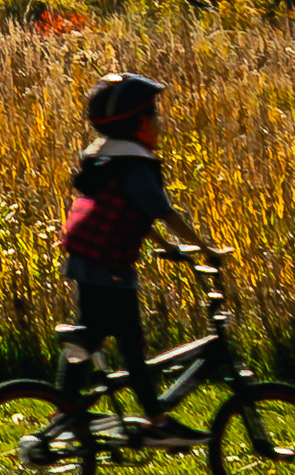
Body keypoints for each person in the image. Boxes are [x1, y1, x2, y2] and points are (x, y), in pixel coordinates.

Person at [57, 67, 193, 435]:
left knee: (92, 332)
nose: (160, 124)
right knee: (130, 341)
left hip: (88, 255)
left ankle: (66, 409)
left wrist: (167, 247)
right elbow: (162, 211)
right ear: (136, 123)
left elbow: (132, 212)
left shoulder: (108, 158)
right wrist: (204, 248)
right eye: (154, 116)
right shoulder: (135, 164)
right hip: (108, 261)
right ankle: (157, 418)